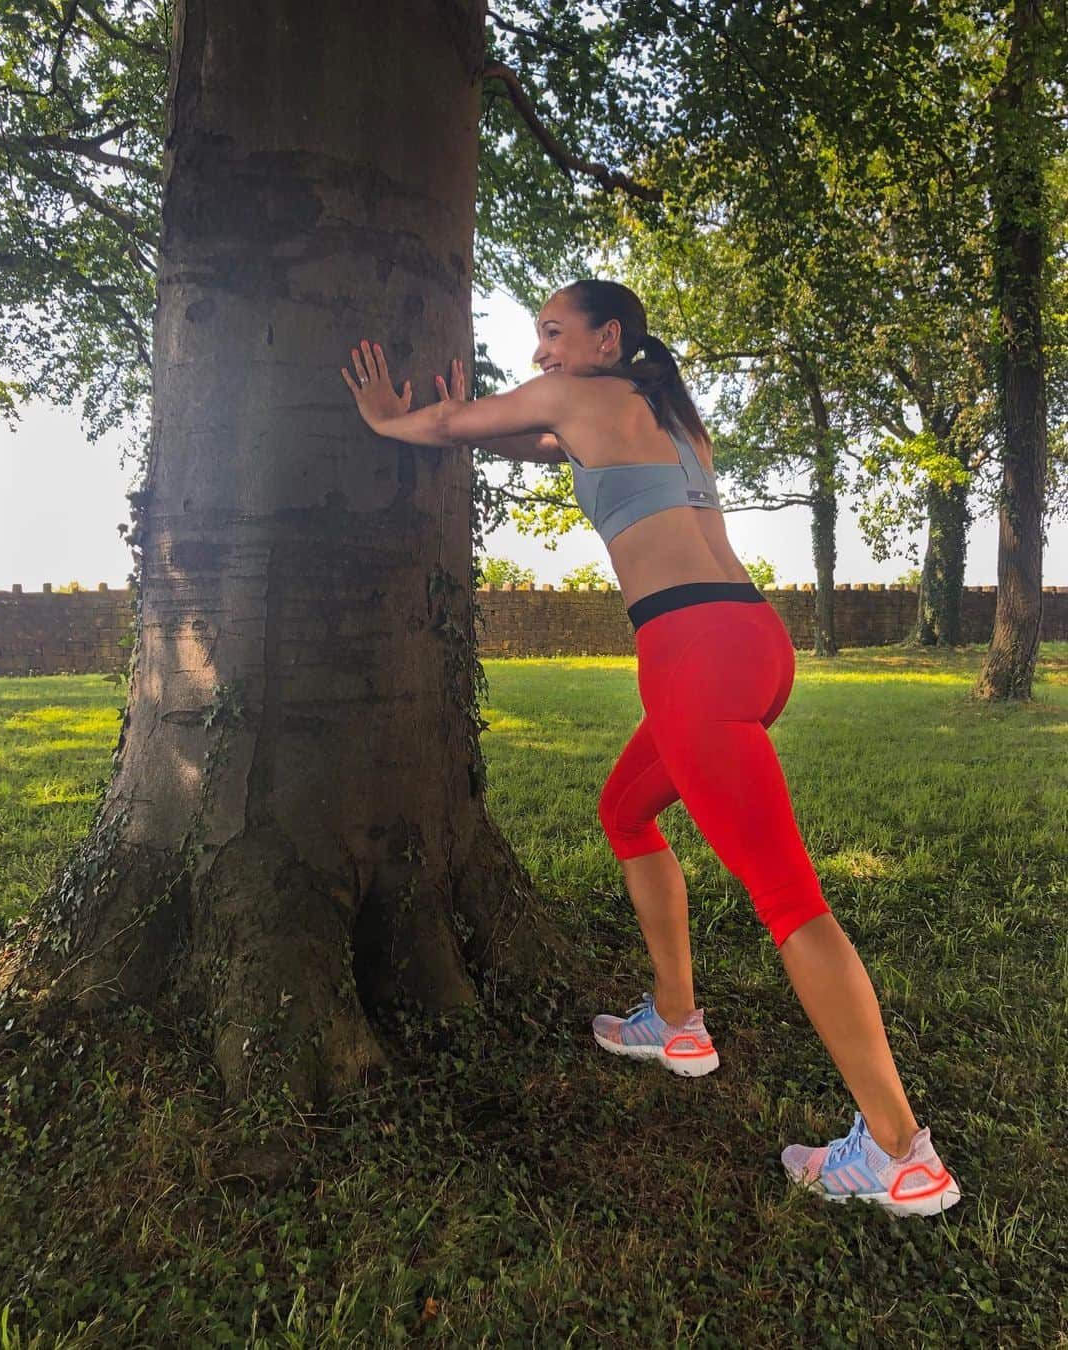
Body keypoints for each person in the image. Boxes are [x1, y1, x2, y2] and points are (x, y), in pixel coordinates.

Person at [340, 278, 960, 1218]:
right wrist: (462, 413)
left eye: (552, 331)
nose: (541, 350)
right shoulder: (666, 414)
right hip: (754, 644)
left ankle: (900, 1152)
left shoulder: (573, 394)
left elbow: (468, 429)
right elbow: (528, 440)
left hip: (693, 658)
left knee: (791, 902)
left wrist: (397, 419)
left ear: (605, 338)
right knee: (625, 811)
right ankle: (676, 1023)